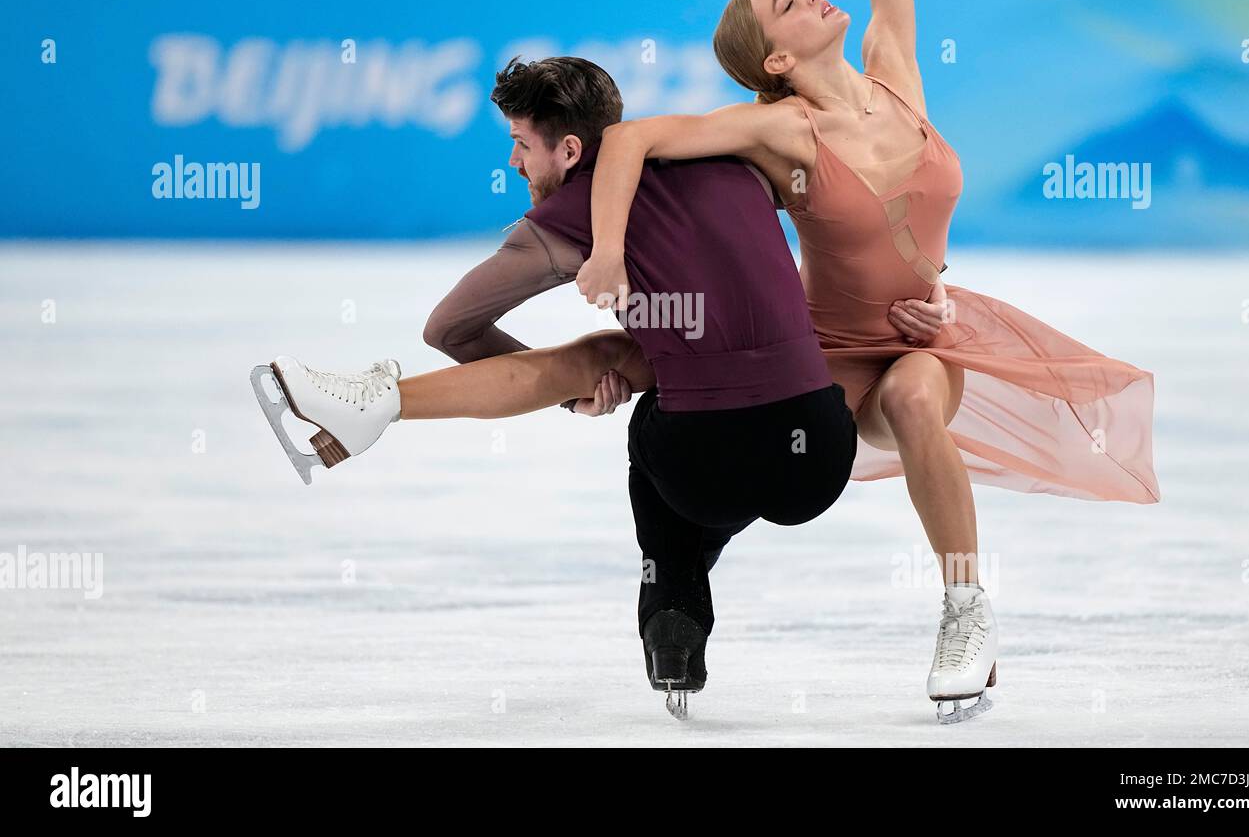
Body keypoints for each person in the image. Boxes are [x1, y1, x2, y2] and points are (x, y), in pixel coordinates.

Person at [574, 0, 1161, 723]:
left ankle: (965, 615)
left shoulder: (896, 75)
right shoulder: (781, 128)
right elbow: (632, 140)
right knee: (756, 472)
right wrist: (605, 253)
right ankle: (678, 589)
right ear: (777, 58)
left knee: (917, 398)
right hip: (820, 353)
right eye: (787, 1)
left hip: (922, 345)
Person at [253, 56, 939, 716]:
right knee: (637, 355)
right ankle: (677, 611)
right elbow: (858, 220)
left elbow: (449, 329)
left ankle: (382, 403)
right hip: (818, 454)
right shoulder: (733, 158)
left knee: (646, 411)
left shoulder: (564, 220)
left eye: (522, 144)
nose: (513, 162)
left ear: (572, 151)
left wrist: (575, 392)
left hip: (700, 461)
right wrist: (936, 295)